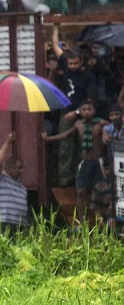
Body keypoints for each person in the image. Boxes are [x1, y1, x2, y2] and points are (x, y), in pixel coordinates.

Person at [42, 99, 108, 224]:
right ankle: (81, 221)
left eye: (89, 109)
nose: (87, 112)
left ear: (94, 111)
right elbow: (65, 135)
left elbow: (113, 130)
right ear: (80, 112)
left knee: (97, 192)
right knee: (81, 192)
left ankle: (100, 220)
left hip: (98, 162)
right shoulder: (78, 124)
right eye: (84, 110)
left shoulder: (101, 123)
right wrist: (48, 139)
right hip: (84, 162)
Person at [51, 26, 97, 186]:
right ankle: (65, 179)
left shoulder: (88, 76)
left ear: (81, 62)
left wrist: (77, 112)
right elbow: (56, 46)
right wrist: (55, 27)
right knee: (65, 148)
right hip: (66, 113)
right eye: (70, 63)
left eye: (75, 63)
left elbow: (90, 101)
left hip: (82, 115)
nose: (72, 66)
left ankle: (80, 179)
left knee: (81, 148)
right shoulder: (65, 65)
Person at [0, 133, 29, 235]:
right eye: (19, 168)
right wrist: (7, 143)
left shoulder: (22, 188)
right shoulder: (0, 180)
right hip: (4, 224)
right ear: (9, 168)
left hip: (20, 226)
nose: (22, 171)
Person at [91, 158, 116, 229]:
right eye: (107, 168)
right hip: (106, 222)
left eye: (113, 168)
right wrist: (104, 227)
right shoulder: (99, 187)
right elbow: (96, 210)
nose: (111, 171)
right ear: (104, 170)